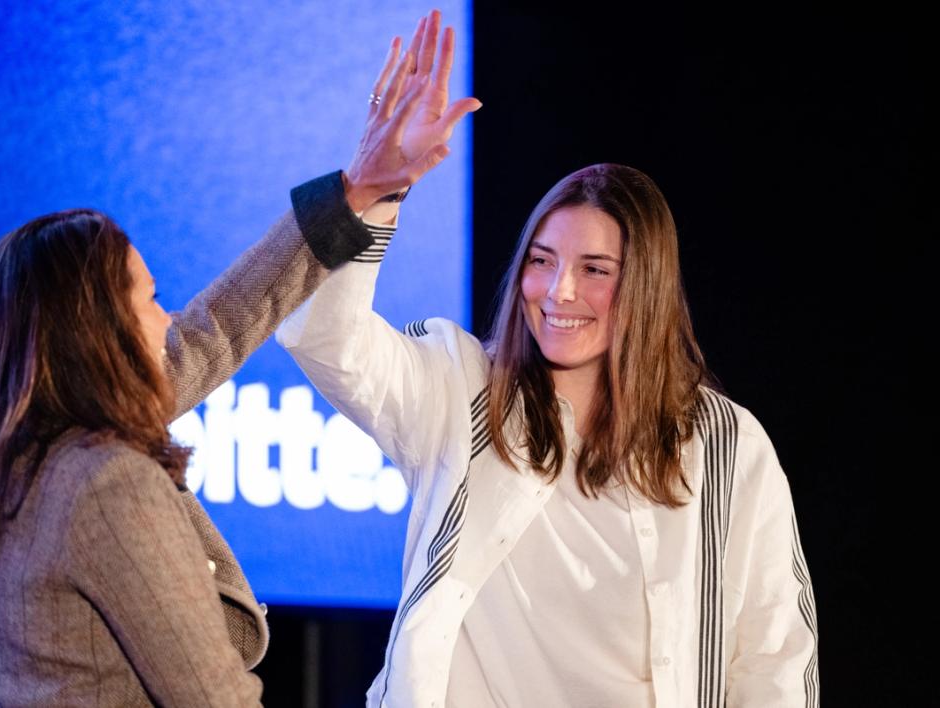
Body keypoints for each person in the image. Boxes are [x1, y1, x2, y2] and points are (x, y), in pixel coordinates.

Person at [0, 12, 478, 705]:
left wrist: (359, 190)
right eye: (149, 299)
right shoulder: (105, 484)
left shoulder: (16, 451)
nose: (166, 319)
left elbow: (213, 328)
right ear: (97, 336)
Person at [277, 70, 818, 708]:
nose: (558, 292)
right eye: (542, 260)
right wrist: (372, 191)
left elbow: (775, 656)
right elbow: (322, 336)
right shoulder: (461, 389)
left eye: (594, 270)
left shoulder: (726, 445)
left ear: (645, 285)